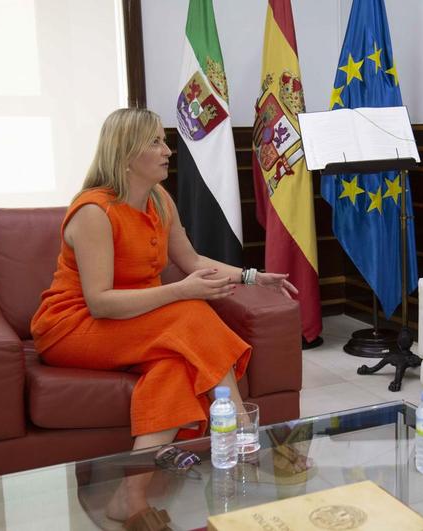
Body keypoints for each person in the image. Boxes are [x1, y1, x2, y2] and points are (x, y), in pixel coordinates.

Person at [30, 108, 297, 525]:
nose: (168, 150)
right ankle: (245, 432)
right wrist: (178, 292)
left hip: (136, 321)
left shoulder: (159, 200)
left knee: (175, 366)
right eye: (155, 142)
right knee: (189, 310)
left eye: (163, 140)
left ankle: (130, 494)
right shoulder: (94, 213)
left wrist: (252, 277)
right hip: (75, 326)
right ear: (126, 152)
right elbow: (99, 302)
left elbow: (190, 261)